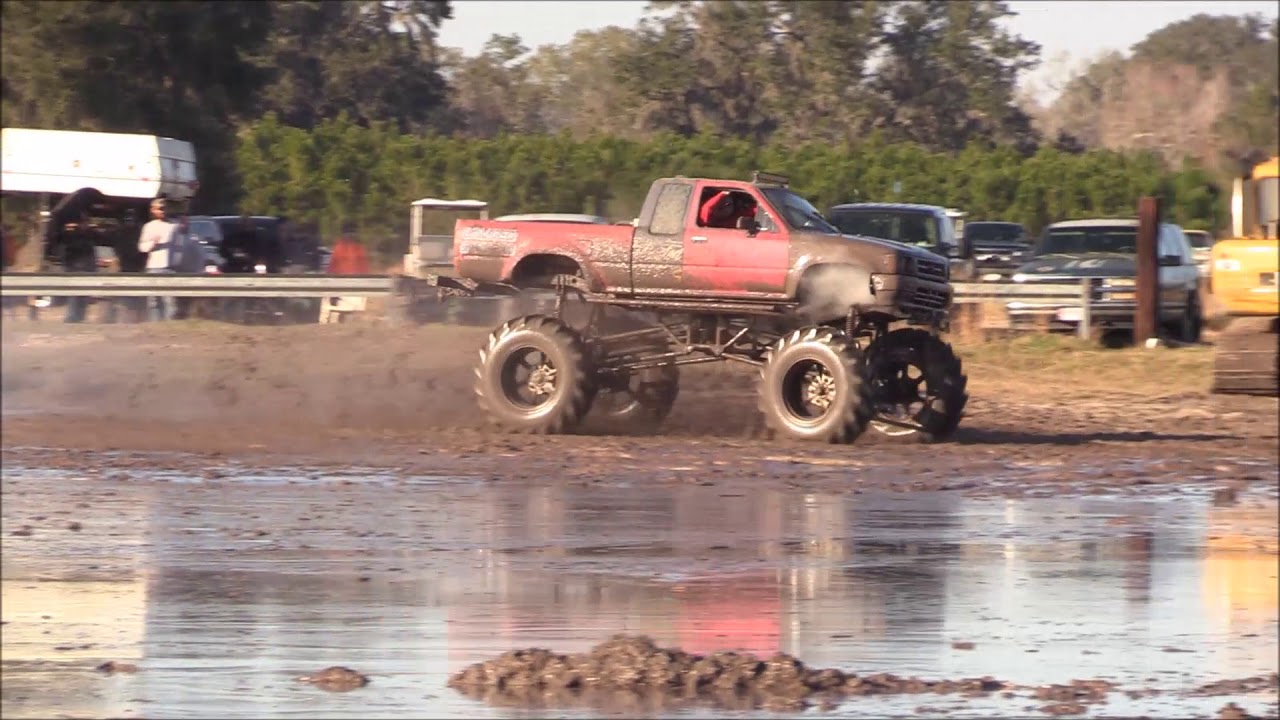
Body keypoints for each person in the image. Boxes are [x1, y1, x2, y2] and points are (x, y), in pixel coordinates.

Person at [137, 197, 178, 321]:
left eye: (164, 208)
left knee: (169, 301)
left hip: (169, 267)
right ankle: (154, 325)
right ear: (153, 210)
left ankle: (169, 326)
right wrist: (153, 243)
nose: (163, 211)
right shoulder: (149, 227)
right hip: (154, 267)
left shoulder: (173, 226)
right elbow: (142, 247)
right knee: (153, 300)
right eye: (160, 209)